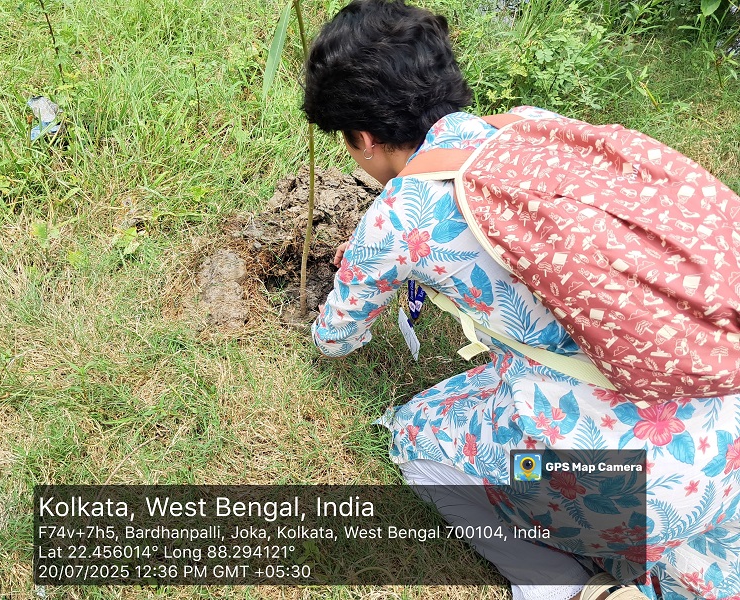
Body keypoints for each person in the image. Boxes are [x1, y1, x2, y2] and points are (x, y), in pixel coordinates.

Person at [302, 1, 740, 600]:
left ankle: (562, 586)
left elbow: (335, 337)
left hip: (624, 482)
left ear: (365, 138)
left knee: (418, 437)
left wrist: (358, 271)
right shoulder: (531, 126)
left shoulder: (400, 215)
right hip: (719, 414)